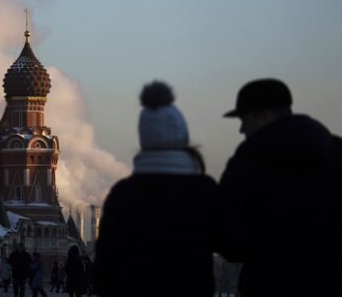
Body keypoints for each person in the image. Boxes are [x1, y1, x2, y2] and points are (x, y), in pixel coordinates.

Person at [219, 78, 342, 296]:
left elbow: (232, 244)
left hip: (269, 285)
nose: (241, 129)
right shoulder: (337, 152)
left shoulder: (244, 166)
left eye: (244, 119)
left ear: (264, 115)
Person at [94, 81, 218, 296]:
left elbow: (104, 266)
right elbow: (233, 245)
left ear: (144, 138)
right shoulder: (202, 189)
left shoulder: (123, 193)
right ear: (182, 135)